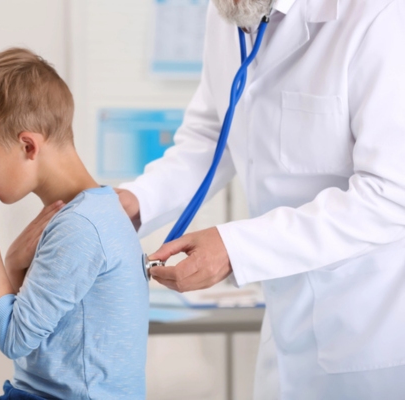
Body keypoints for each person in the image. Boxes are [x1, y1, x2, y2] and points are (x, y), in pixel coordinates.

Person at [117, 0, 405, 398]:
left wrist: (236, 248)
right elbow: (212, 134)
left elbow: (391, 195)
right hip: (286, 326)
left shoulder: (379, 17)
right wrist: (134, 202)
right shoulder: (230, 12)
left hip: (370, 337)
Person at [0, 48, 148, 400]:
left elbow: (15, 339)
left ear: (28, 146)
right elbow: (50, 331)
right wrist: (13, 265)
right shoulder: (96, 212)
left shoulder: (80, 227)